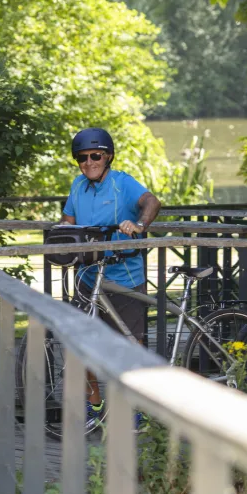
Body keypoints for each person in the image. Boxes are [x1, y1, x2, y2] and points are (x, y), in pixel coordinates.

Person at [60, 127, 161, 419]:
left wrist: (139, 225)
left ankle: (135, 407)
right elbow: (68, 221)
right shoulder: (78, 186)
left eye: (95, 156)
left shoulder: (121, 183)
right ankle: (94, 403)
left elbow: (151, 202)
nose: (88, 162)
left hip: (123, 275)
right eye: (82, 157)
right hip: (87, 275)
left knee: (130, 346)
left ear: (108, 157)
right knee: (79, 342)